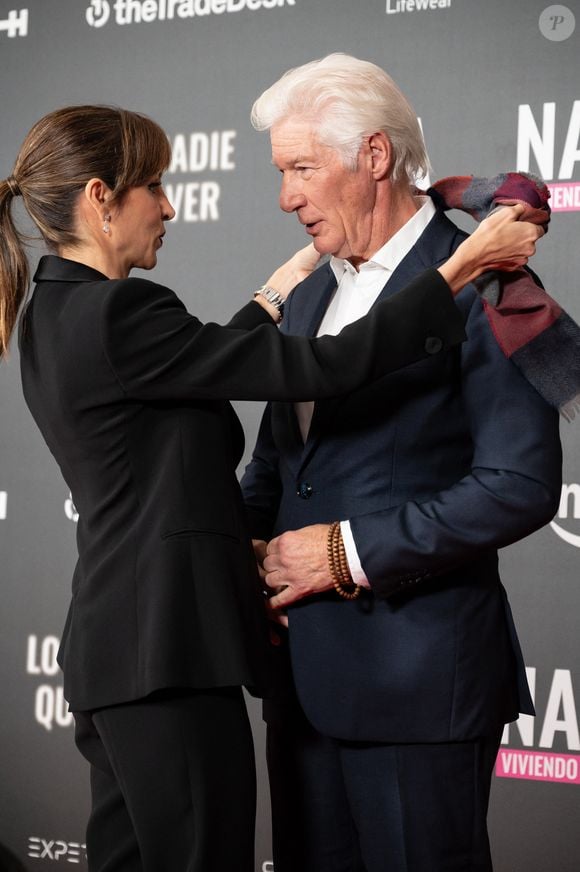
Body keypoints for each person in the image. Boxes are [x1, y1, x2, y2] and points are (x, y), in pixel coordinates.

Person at [0, 106, 540, 872]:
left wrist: (273, 297)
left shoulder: (55, 313)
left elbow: (187, 373)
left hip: (119, 654)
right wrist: (456, 273)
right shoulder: (124, 311)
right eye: (154, 184)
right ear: (99, 197)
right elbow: (314, 370)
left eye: (300, 169)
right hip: (172, 655)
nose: (169, 204)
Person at [241, 54, 563, 872]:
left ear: (374, 157)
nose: (287, 198)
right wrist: (247, 560)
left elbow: (518, 485)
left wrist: (343, 553)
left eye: (302, 169)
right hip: (301, 687)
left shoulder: (490, 284)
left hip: (420, 690)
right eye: (283, 173)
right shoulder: (308, 295)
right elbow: (275, 474)